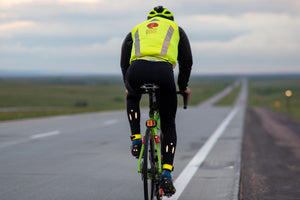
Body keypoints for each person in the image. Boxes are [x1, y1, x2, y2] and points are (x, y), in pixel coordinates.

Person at [120, 5, 192, 196]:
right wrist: (183, 87)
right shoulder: (176, 29)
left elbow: (123, 61)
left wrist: (128, 86)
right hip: (163, 74)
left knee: (132, 97)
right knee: (168, 124)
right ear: (170, 19)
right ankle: (167, 172)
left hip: (136, 71)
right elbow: (187, 62)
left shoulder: (137, 28)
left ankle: (136, 139)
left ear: (150, 19)